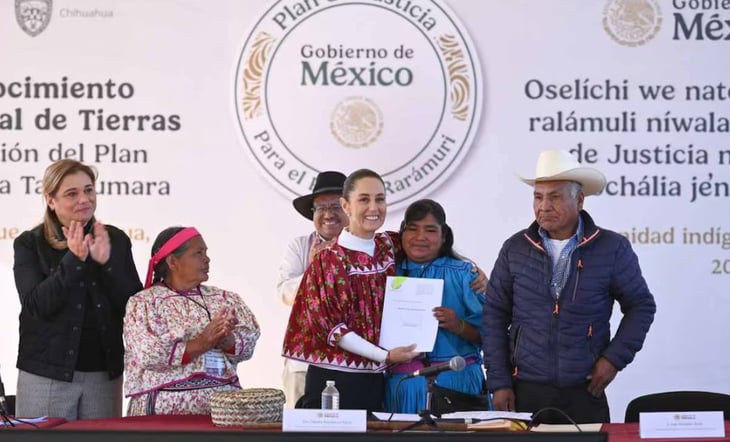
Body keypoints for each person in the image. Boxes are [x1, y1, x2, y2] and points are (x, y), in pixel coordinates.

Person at [482, 150, 656, 424]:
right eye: (538, 197)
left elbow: (641, 306)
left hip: (585, 391)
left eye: (555, 197)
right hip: (524, 390)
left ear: (580, 199)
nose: (544, 206)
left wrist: (613, 360)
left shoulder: (612, 248)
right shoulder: (514, 249)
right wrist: (499, 381)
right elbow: (493, 315)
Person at [13, 159, 142, 420]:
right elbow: (36, 306)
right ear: (51, 200)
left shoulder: (115, 239)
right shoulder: (29, 243)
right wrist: (73, 260)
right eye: (72, 193)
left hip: (103, 373)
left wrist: (108, 266)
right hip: (46, 373)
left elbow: (135, 306)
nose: (84, 199)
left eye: (89, 190)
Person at [282, 169, 420, 412]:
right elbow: (332, 328)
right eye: (364, 199)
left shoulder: (387, 245)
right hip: (334, 381)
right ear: (346, 205)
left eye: (380, 199)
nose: (374, 207)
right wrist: (385, 357)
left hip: (376, 379)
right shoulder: (328, 259)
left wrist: (472, 270)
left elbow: (427, 245)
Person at [123, 227, 260, 415]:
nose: (207, 259)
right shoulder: (145, 302)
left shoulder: (224, 298)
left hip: (221, 412)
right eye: (198, 253)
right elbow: (148, 353)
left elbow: (249, 343)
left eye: (206, 252)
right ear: (172, 261)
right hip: (163, 416)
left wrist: (226, 341)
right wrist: (202, 342)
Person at [384, 199, 485, 414]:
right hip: (402, 385)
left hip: (456, 384)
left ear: (444, 236)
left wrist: (458, 325)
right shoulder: (387, 273)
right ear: (402, 233)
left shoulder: (464, 275)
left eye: (430, 230)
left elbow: (490, 336)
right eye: (412, 229)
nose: (420, 237)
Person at [277, 171, 348, 408]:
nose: (328, 214)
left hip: (354, 364)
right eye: (320, 208)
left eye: (335, 206)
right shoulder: (300, 246)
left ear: (350, 208)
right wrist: (313, 269)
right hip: (303, 363)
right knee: (299, 430)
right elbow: (284, 294)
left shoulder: (366, 247)